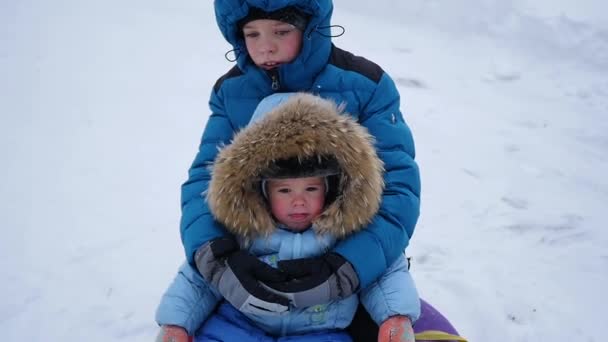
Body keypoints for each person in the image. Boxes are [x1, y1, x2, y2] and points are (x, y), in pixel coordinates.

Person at [181, 0, 420, 330]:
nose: (266, 47)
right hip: (261, 251)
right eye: (252, 34)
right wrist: (219, 258)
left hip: (339, 252)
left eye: (281, 30)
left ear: (310, 27)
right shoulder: (232, 91)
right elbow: (205, 180)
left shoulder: (365, 85)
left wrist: (348, 266)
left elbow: (398, 187)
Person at [157, 93, 420, 341]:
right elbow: (200, 279)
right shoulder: (243, 230)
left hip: (320, 331)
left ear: (331, 189)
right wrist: (176, 323)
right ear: (261, 191)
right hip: (241, 325)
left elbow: (382, 273)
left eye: (311, 188)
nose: (298, 201)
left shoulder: (346, 231)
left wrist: (395, 316)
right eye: (284, 190)